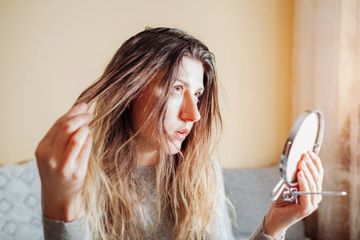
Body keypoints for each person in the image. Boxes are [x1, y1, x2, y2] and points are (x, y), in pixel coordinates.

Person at [35, 27, 324, 240]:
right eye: (176, 88)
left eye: (197, 94)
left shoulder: (200, 172)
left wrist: (274, 226)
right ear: (130, 91)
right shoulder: (81, 178)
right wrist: (61, 205)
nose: (194, 114)